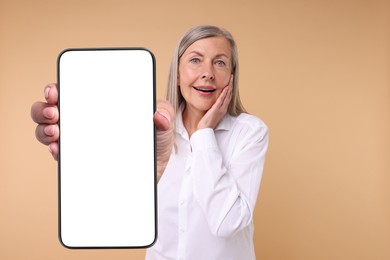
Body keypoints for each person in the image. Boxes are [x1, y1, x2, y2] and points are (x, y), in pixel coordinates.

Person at [31, 25, 268, 260]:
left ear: (231, 76)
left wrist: (203, 134)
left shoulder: (249, 132)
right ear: (177, 73)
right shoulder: (151, 127)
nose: (208, 72)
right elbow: (116, 207)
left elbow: (227, 223)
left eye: (220, 62)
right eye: (195, 60)